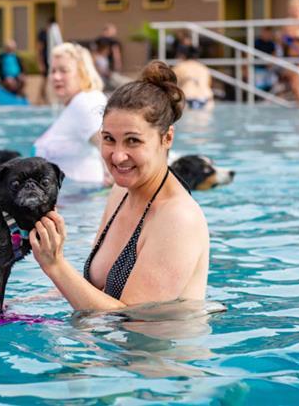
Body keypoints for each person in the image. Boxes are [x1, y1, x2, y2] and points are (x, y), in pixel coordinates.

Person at [30, 61, 210, 311]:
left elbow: (130, 317)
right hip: (105, 335)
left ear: (167, 138)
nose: (117, 156)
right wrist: (14, 307)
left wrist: (55, 265)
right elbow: (94, 290)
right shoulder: (121, 191)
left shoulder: (178, 218)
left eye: (133, 141)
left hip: (155, 338)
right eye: (108, 139)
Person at [33, 42, 107, 184]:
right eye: (53, 71)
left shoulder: (86, 102)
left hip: (83, 194)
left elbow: (109, 145)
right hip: (74, 192)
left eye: (64, 70)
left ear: (82, 73)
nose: (56, 77)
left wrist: (114, 189)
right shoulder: (75, 105)